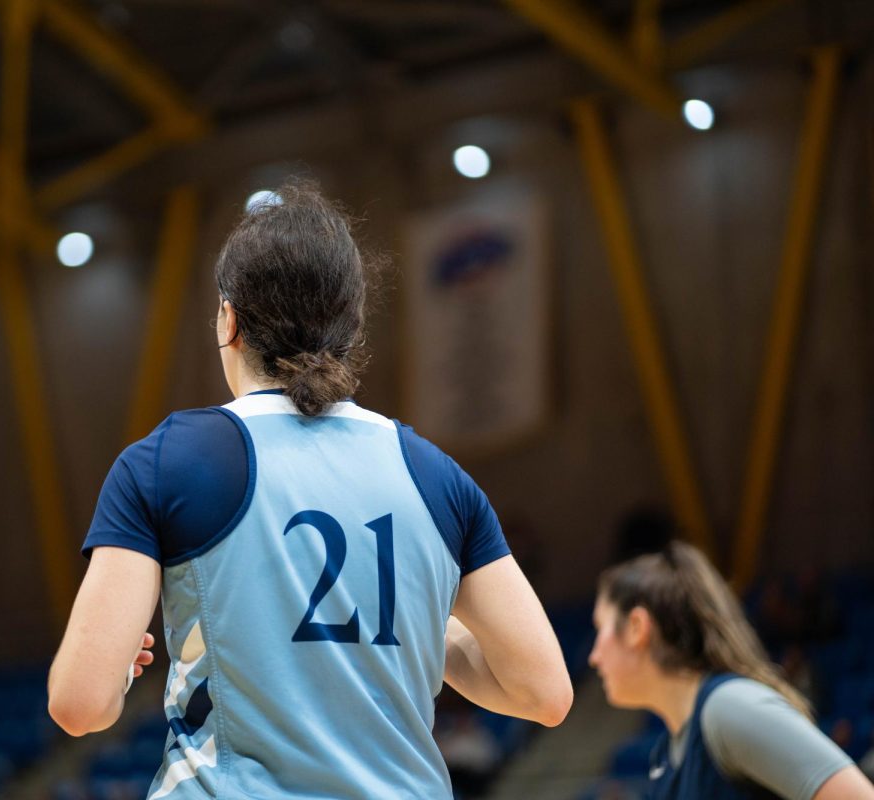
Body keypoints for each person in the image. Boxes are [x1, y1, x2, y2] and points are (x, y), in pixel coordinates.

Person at [47, 181, 571, 798]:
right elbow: (544, 694)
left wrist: (109, 666)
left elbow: (81, 707)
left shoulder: (166, 461)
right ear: (348, 329)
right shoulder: (437, 476)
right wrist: (430, 632)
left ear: (229, 321)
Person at [589, 541, 874, 800]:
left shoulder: (728, 707)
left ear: (637, 627)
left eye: (600, 629)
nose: (593, 657)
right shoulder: (669, 753)